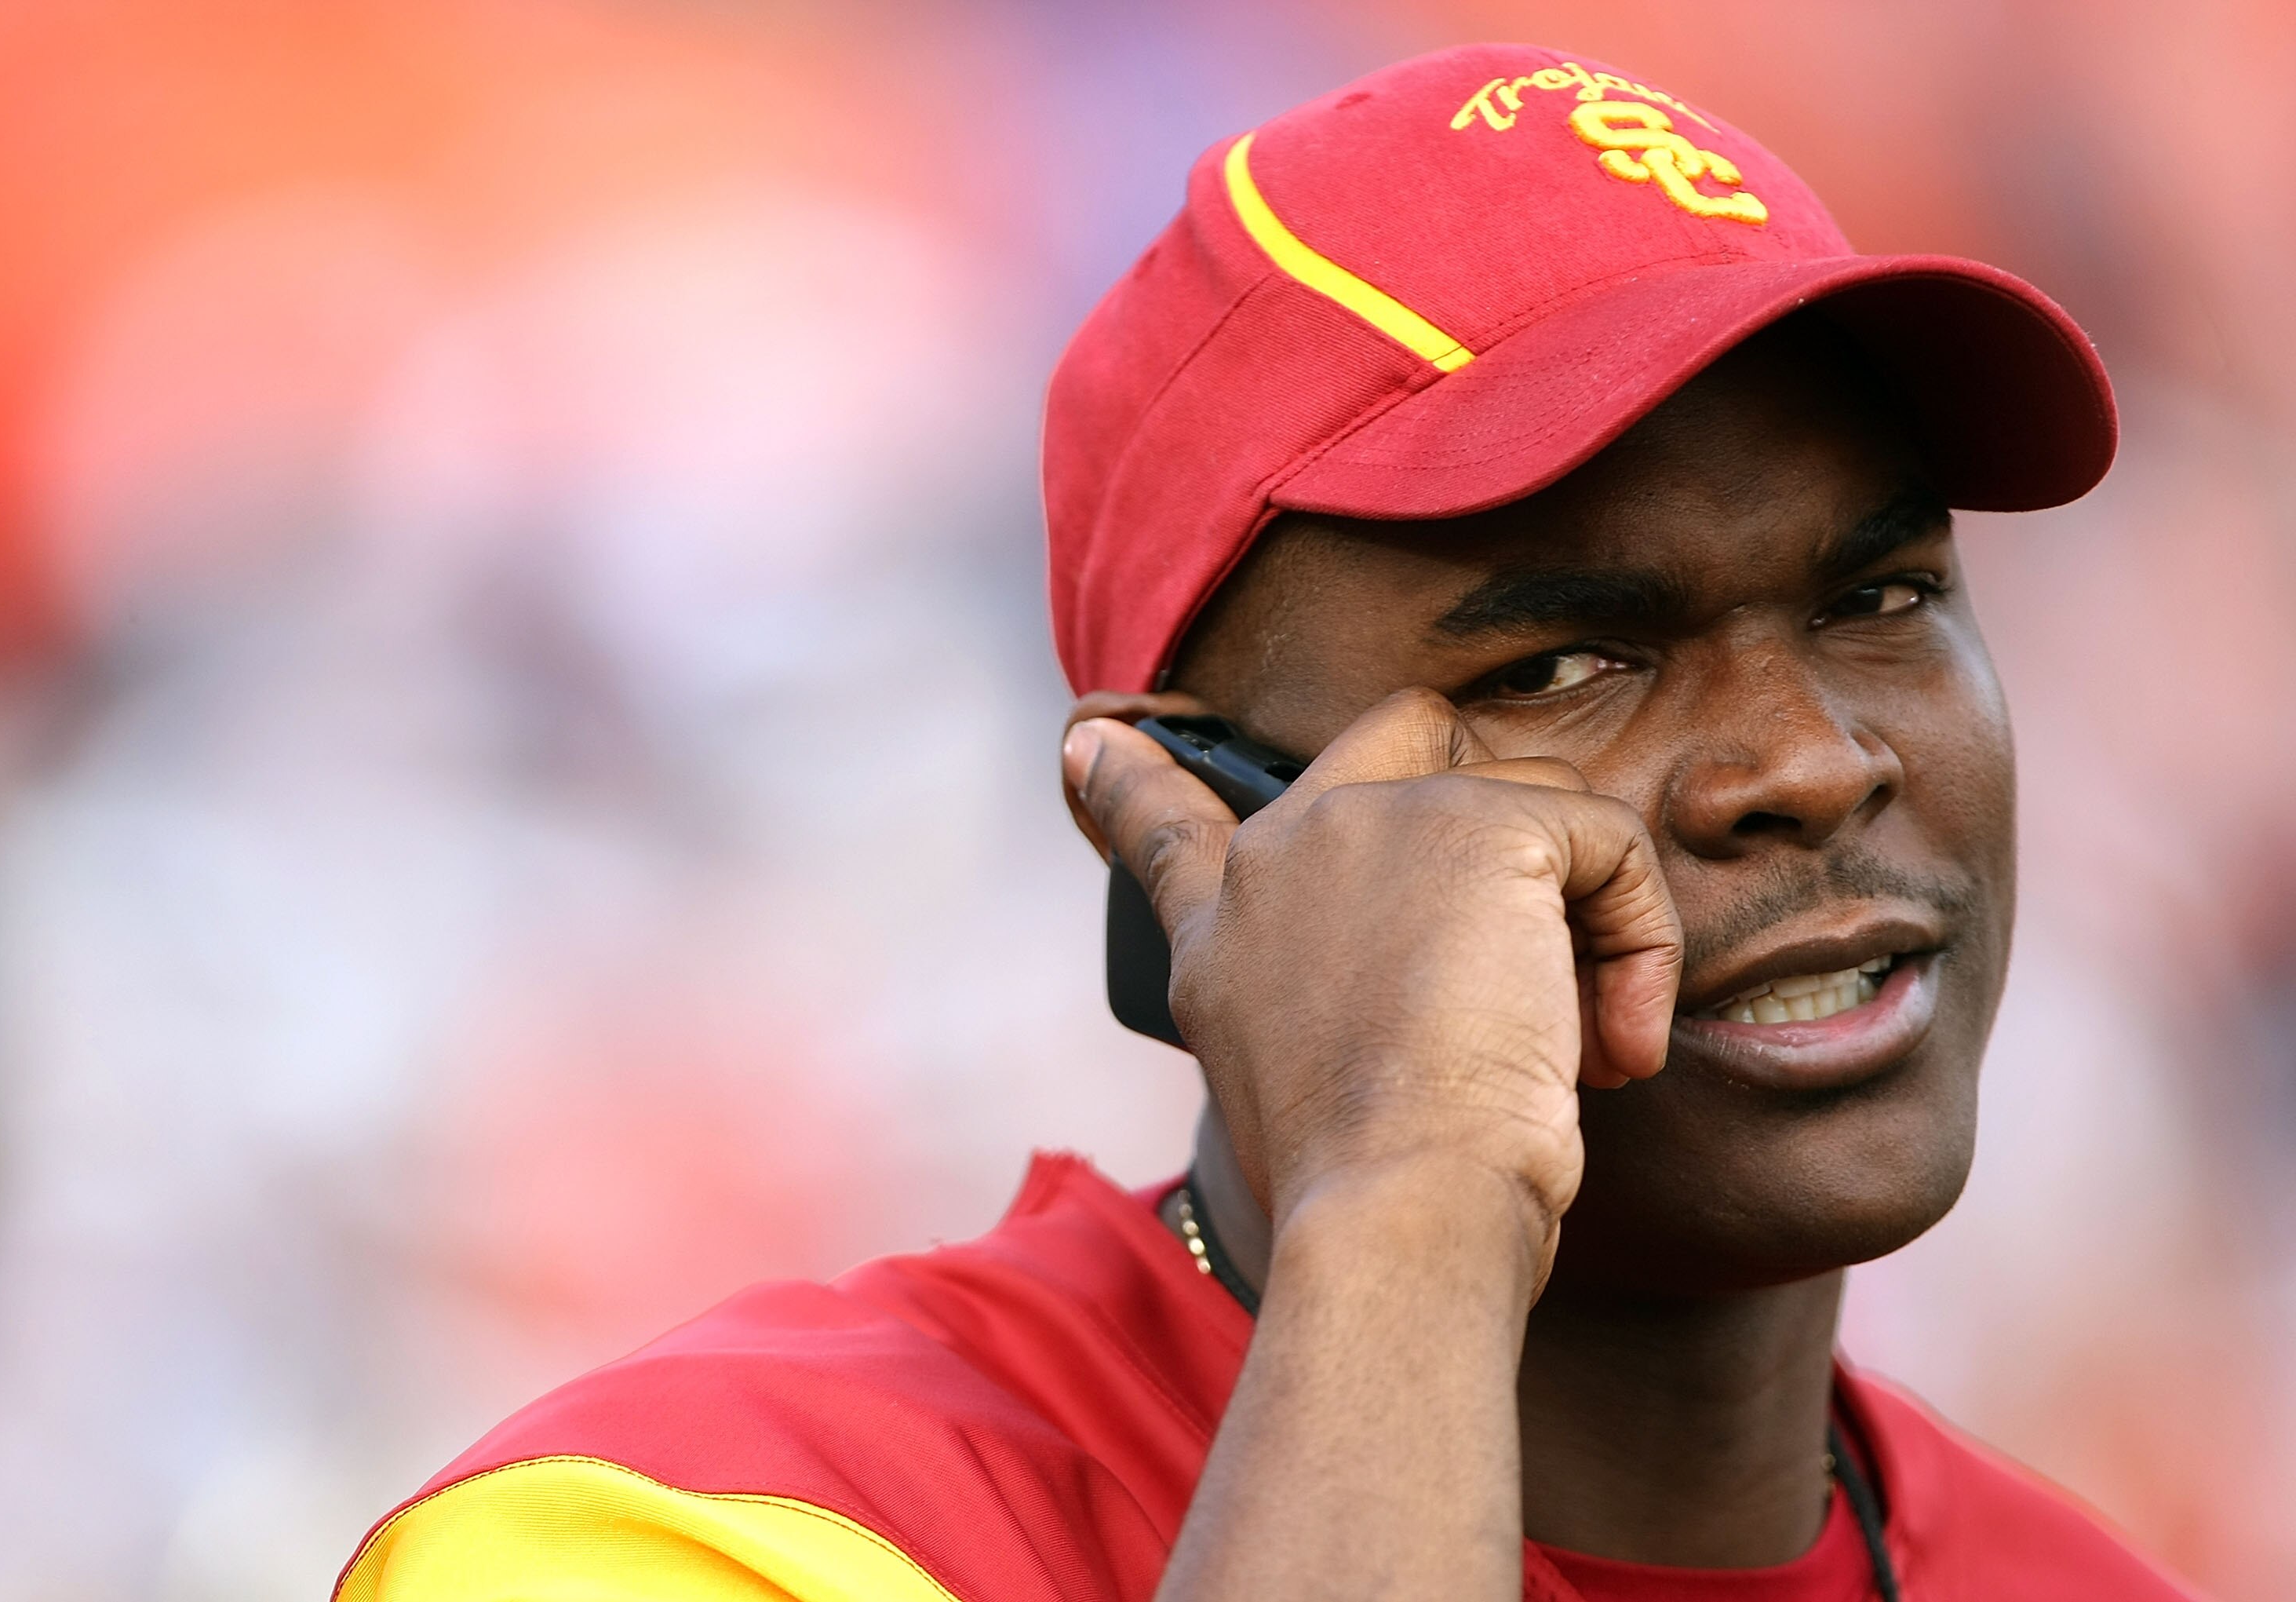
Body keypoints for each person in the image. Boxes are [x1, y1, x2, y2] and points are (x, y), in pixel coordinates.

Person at [334, 43, 2198, 1600]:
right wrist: (1412, 1193)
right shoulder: (713, 1525)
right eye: (1564, 661)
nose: (1807, 758)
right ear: (1187, 821)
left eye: (1877, 596)